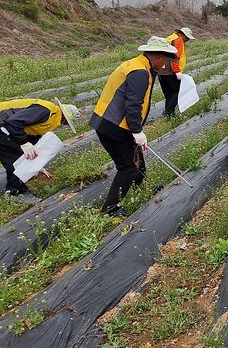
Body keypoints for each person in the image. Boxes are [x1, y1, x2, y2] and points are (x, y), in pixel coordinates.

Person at [91, 36, 177, 215]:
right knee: (127, 167)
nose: (165, 63)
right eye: (165, 58)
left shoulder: (139, 65)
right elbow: (133, 105)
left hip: (110, 122)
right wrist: (137, 131)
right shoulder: (140, 72)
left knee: (137, 155)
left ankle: (143, 188)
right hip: (114, 126)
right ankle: (110, 209)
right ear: (156, 55)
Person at [0, 98, 80, 200]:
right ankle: (16, 192)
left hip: (6, 126)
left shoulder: (50, 117)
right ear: (64, 117)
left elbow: (32, 138)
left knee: (21, 155)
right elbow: (13, 123)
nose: (64, 125)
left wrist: (37, 164)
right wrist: (23, 143)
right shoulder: (47, 112)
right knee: (16, 160)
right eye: (66, 123)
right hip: (3, 125)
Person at [158, 27, 195, 117]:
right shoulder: (178, 41)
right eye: (188, 38)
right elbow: (174, 58)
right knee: (177, 91)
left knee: (169, 94)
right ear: (184, 35)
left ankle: (170, 114)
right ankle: (168, 112)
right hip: (170, 72)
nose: (188, 40)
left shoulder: (170, 38)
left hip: (161, 71)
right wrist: (177, 72)